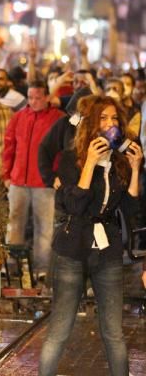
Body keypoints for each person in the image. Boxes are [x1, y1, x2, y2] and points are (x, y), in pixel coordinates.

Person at [38, 95, 142, 376]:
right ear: (91, 125)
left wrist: (134, 170)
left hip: (107, 251)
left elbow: (131, 208)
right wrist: (90, 164)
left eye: (114, 119)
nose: (110, 124)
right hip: (72, 248)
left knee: (114, 332)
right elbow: (74, 205)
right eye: (103, 119)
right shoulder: (72, 158)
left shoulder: (119, 161)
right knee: (59, 329)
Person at [2, 81, 64, 282]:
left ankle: (42, 268)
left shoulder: (58, 119)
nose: (34, 101)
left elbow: (64, 151)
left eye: (38, 97)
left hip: (44, 183)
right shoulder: (19, 117)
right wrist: (6, 174)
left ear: (47, 97)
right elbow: (9, 146)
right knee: (14, 224)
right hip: (18, 180)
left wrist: (58, 176)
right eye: (30, 98)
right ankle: (12, 264)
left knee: (44, 227)